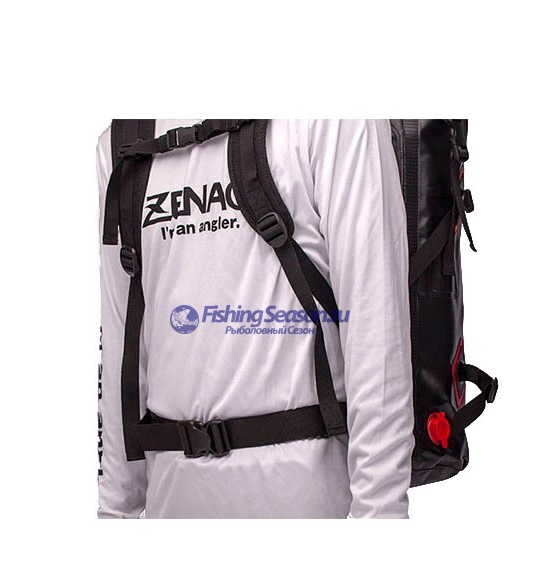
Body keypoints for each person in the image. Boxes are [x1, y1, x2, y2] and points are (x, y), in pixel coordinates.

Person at [96, 119, 414, 518]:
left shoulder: (334, 119)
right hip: (173, 502)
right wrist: (114, 511)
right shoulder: (122, 142)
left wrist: (380, 512)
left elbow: (376, 328)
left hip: (311, 501)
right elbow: (120, 342)